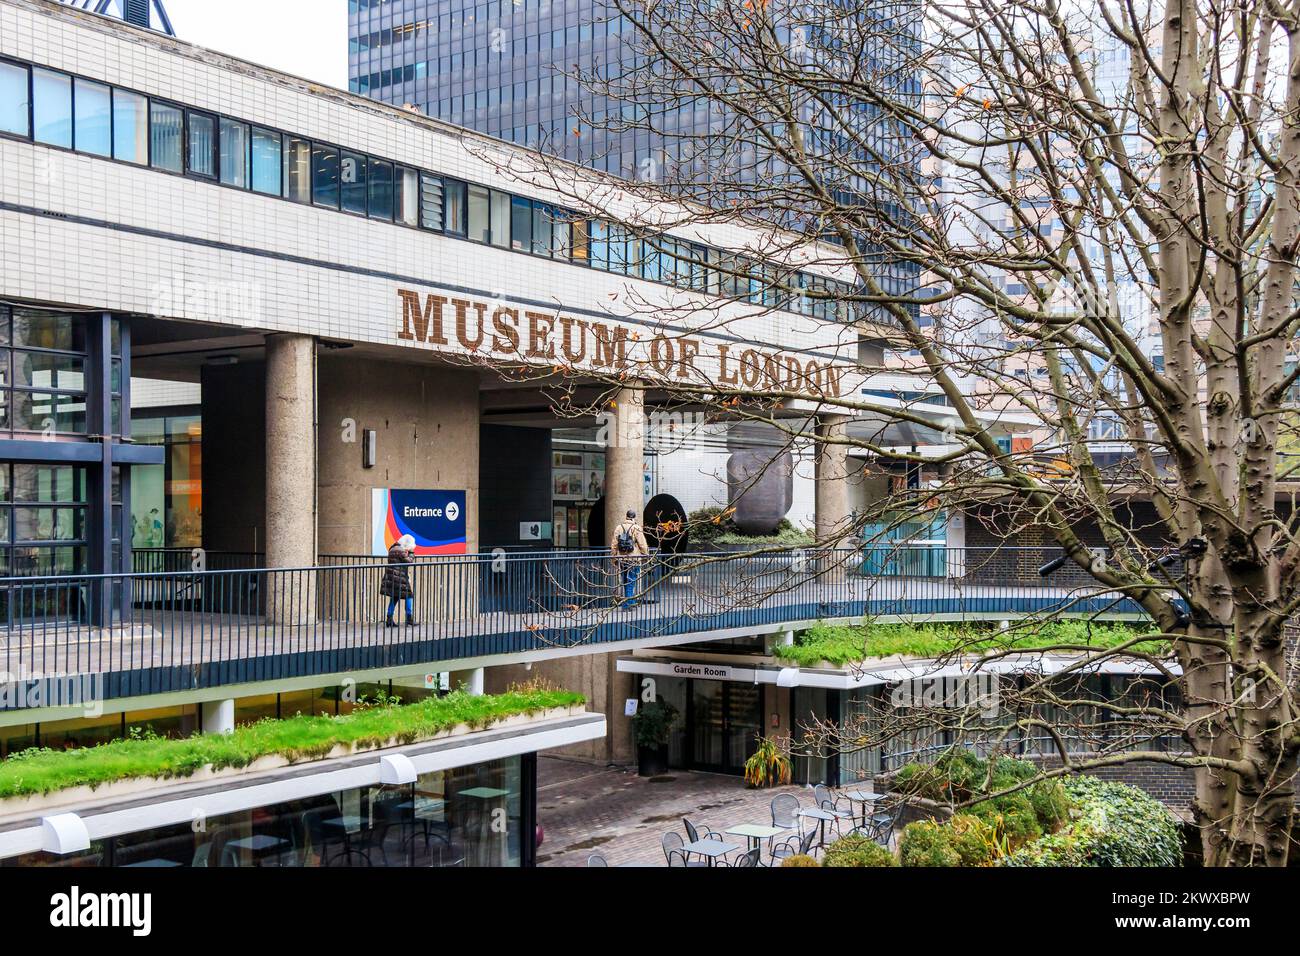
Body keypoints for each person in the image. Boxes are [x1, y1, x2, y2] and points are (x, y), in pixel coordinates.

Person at [609, 509, 649, 608]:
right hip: (633, 559)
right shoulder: (636, 528)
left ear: (626, 517)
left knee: (625, 581)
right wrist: (646, 555)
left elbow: (614, 544)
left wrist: (614, 558)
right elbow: (642, 544)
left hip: (622, 559)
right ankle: (628, 604)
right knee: (632, 581)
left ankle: (629, 602)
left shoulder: (619, 527)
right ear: (634, 517)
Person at [381, 534, 417, 627]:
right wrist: (411, 553)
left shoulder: (392, 548)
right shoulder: (400, 550)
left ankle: (389, 619)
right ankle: (409, 618)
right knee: (409, 596)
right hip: (399, 578)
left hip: (392, 577)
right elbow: (409, 561)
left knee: (394, 597)